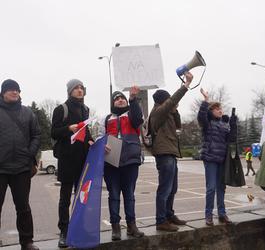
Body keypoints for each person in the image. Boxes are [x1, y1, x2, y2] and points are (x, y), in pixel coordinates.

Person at [51, 79, 93, 248]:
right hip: (67, 159)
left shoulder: (86, 109)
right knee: (65, 198)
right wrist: (69, 128)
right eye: (76, 88)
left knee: (82, 196)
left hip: (84, 159)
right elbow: (53, 132)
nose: (79, 90)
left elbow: (86, 131)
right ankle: (64, 231)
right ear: (70, 91)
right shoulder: (61, 109)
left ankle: (79, 227)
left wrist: (91, 141)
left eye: (81, 87)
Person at [149, 72, 193, 232]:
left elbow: (178, 125)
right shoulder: (158, 112)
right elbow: (172, 100)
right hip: (164, 153)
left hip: (171, 153)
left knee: (172, 188)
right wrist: (185, 85)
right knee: (165, 189)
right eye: (168, 101)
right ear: (163, 101)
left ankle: (169, 215)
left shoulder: (167, 113)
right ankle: (161, 220)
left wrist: (174, 111)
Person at [0, 79, 41, 250]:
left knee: (23, 207)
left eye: (17, 90)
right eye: (10, 90)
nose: (15, 92)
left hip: (22, 168)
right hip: (0, 168)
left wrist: (29, 154)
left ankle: (27, 242)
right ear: (3, 93)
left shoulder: (28, 113)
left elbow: (37, 135)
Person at [103, 86, 144, 241]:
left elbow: (138, 120)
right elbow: (101, 137)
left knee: (129, 195)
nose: (120, 100)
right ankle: (115, 227)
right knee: (113, 195)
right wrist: (102, 146)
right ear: (113, 103)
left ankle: (132, 226)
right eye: (117, 99)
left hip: (130, 160)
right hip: (111, 161)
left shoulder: (133, 113)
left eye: (123, 98)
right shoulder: (107, 118)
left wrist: (133, 99)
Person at [197, 88, 237, 226]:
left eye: (221, 108)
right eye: (216, 109)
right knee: (211, 188)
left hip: (222, 160)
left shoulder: (225, 124)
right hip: (210, 159)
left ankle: (222, 214)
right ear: (211, 111)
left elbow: (231, 140)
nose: (220, 110)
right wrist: (205, 100)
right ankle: (208, 215)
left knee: (221, 187)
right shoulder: (207, 124)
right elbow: (201, 117)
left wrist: (233, 125)